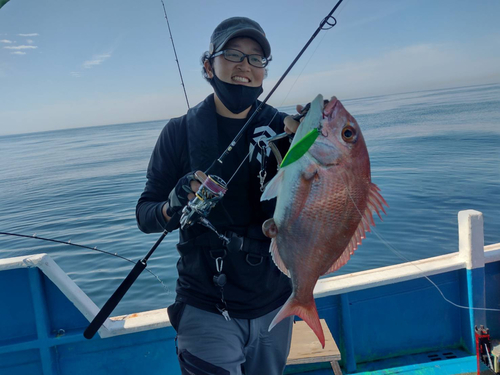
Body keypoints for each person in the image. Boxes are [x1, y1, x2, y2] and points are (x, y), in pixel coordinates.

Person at [136, 16, 302, 375]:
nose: (245, 66)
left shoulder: (286, 130)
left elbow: (328, 194)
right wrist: (173, 202)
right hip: (205, 303)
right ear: (209, 65)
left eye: (256, 58)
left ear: (264, 71)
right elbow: (145, 216)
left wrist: (315, 139)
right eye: (233, 55)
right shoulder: (179, 132)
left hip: (274, 301)